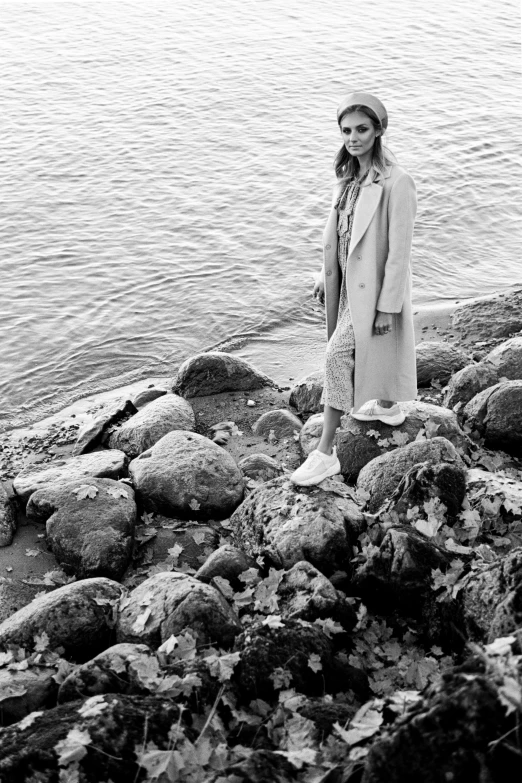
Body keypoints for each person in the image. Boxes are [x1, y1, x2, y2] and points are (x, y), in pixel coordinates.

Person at [291, 91, 417, 487]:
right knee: (354, 351)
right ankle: (387, 405)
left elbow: (399, 254)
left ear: (379, 129)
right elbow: (341, 236)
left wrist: (386, 308)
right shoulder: (347, 178)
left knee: (335, 355)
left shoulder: (398, 182)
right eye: (346, 130)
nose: (353, 137)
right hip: (346, 286)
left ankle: (325, 453)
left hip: (373, 292)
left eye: (362, 129)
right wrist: (322, 274)